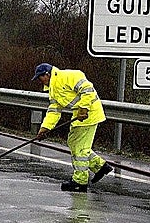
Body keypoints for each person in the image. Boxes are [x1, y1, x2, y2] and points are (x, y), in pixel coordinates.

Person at [32, 63, 113, 192]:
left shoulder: (68, 76)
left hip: (89, 114)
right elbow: (54, 111)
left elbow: (88, 90)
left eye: (39, 78)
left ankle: (79, 182)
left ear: (46, 74)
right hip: (80, 115)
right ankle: (100, 166)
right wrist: (45, 128)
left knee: (80, 149)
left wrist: (84, 108)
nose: (39, 81)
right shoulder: (53, 89)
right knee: (73, 143)